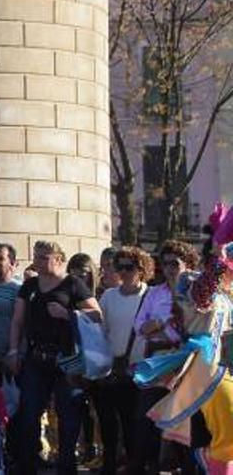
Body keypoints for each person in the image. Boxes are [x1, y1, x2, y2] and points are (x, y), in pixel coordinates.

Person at [132, 204, 233, 475]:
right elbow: (202, 297)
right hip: (204, 367)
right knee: (225, 429)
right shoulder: (192, 283)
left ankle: (207, 460)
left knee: (222, 439)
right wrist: (219, 252)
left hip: (227, 364)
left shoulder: (229, 292)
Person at [8, 239, 103, 475]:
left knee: (68, 415)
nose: (37, 261)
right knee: (30, 412)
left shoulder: (72, 284)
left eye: (43, 257)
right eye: (36, 256)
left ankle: (66, 465)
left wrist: (68, 314)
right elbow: (17, 321)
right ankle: (28, 463)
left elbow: (97, 315)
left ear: (58, 259)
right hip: (37, 356)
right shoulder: (29, 286)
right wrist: (13, 350)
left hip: (68, 358)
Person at [129, 239, 202, 475]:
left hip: (187, 361)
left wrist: (163, 327)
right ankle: (146, 466)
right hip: (158, 360)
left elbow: (198, 326)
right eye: (165, 263)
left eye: (175, 263)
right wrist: (162, 322)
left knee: (183, 418)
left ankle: (189, 468)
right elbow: (140, 326)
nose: (169, 268)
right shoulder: (154, 293)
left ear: (188, 264)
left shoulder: (197, 292)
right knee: (146, 417)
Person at [93, 246, 152, 475]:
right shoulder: (109, 296)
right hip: (111, 370)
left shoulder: (151, 295)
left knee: (132, 425)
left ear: (142, 269)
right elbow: (100, 331)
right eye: (120, 267)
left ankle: (135, 466)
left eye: (130, 267)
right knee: (108, 424)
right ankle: (109, 465)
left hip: (139, 372)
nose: (124, 272)